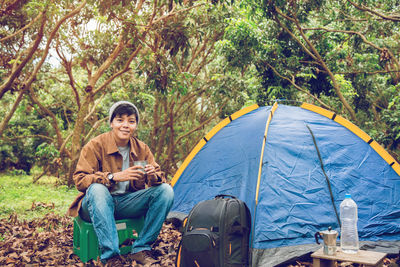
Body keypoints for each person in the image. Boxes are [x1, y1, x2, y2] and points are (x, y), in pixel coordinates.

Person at [67, 100, 174, 265]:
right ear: (111, 123)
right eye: (120, 120)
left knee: (166, 191)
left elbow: (159, 178)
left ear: (136, 125)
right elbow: (80, 180)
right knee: (97, 189)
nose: (126, 125)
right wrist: (112, 177)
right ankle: (111, 257)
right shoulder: (95, 145)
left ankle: (141, 248)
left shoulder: (142, 148)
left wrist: (152, 175)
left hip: (126, 203)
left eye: (131, 121)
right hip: (95, 205)